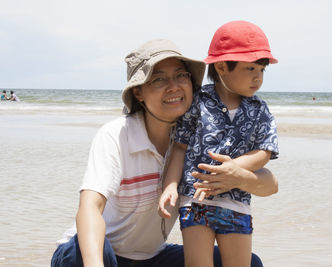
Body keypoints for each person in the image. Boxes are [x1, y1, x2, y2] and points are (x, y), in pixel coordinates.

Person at [51, 38, 278, 267]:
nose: (174, 86)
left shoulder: (196, 137)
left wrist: (238, 176)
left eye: (181, 76)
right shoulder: (117, 135)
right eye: (159, 79)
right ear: (139, 92)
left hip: (151, 258)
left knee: (251, 262)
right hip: (94, 252)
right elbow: (90, 207)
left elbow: (270, 184)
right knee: (88, 254)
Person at [159, 21, 279, 267]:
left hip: (236, 202)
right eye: (251, 69)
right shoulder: (197, 101)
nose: (258, 78)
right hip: (196, 200)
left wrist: (234, 169)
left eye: (262, 70)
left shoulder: (259, 110)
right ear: (222, 66)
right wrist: (170, 185)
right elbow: (180, 147)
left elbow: (265, 152)